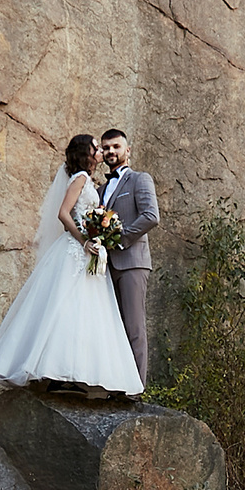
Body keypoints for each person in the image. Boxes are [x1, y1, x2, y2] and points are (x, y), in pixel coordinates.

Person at [0, 134, 144, 398]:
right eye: (97, 147)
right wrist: (84, 240)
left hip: (87, 252)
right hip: (76, 252)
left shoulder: (89, 181)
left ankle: (72, 373)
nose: (101, 151)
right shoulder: (80, 178)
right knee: (67, 307)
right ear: (87, 153)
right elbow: (63, 214)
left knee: (82, 311)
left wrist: (99, 235)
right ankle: (57, 372)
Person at [96, 128, 160, 384]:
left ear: (127, 150)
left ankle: (135, 388)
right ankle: (114, 384)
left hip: (132, 262)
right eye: (106, 148)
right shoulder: (100, 189)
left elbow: (150, 216)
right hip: (104, 266)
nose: (111, 151)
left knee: (134, 327)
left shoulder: (139, 179)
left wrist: (120, 238)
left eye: (116, 146)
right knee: (112, 328)